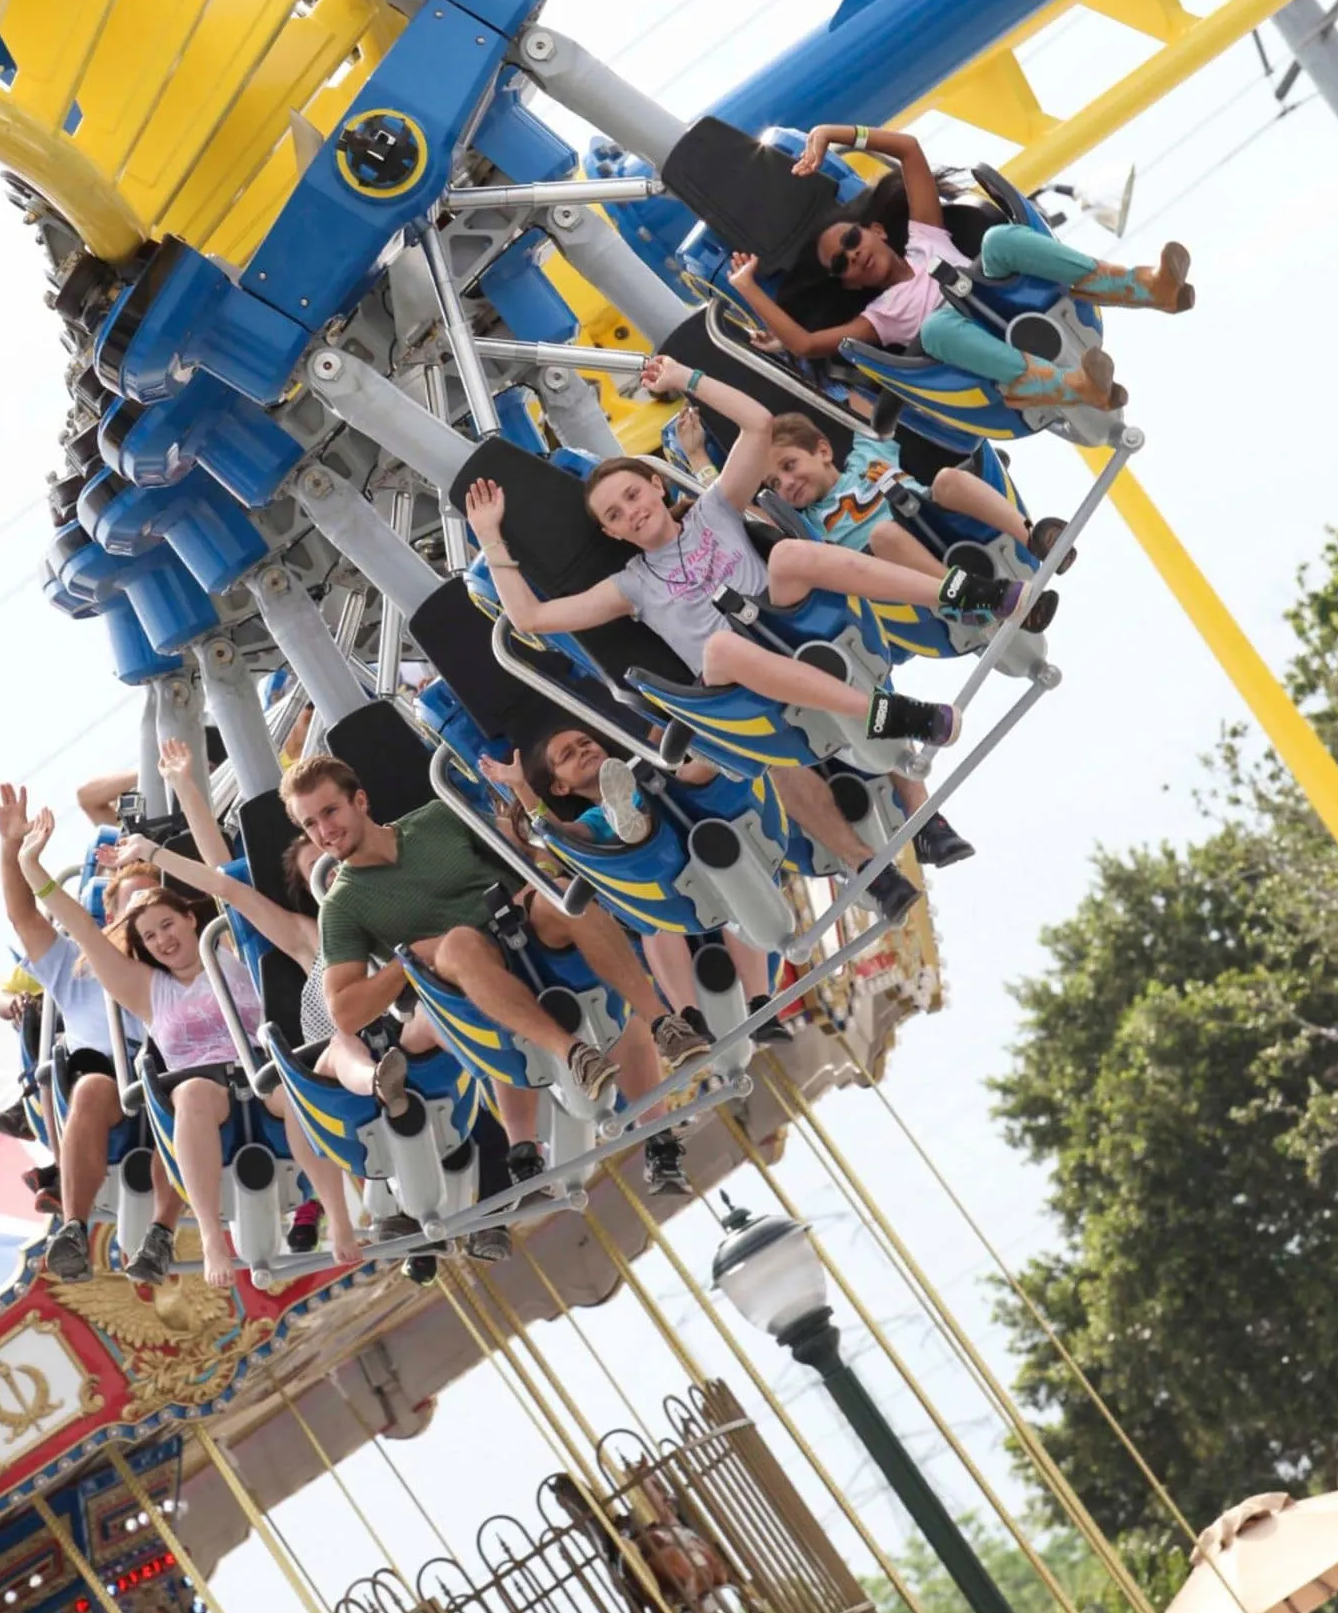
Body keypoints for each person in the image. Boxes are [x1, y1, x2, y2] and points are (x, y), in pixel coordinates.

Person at [462, 355, 1006, 759]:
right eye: (614, 516)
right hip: (739, 680)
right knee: (720, 646)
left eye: (632, 496)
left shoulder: (713, 510)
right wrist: (491, 536)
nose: (630, 513)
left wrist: (685, 379)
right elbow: (531, 618)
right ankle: (887, 714)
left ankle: (954, 592)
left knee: (790, 553)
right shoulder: (630, 585)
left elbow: (758, 425)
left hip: (789, 622)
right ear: (614, 534)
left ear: (655, 486)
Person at [282, 755, 702, 1195]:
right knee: (459, 944)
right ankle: (572, 1055)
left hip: (523, 926)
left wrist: (528, 844)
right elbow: (345, 1013)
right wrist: (407, 960)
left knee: (558, 895)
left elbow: (525, 853)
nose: (324, 831)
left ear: (360, 801)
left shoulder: (438, 818)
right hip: (465, 978)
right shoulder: (341, 906)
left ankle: (664, 1022)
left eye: (330, 812)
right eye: (310, 825)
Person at [16, 809, 361, 1288]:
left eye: (167, 925)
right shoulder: (146, 989)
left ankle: (338, 1215)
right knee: (194, 1096)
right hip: (200, 1086)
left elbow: (224, 880)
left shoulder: (231, 953)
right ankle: (212, 1238)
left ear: (188, 917)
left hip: (258, 1072)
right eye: (150, 936)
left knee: (295, 1090)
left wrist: (179, 805)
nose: (162, 940)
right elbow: (87, 933)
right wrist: (32, 867)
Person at [727, 122, 1194, 410]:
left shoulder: (925, 239)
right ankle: (1051, 385)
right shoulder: (881, 315)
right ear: (847, 284)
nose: (853, 256)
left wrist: (832, 133)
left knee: (998, 238)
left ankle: (1144, 287)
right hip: (977, 357)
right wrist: (747, 287)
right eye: (841, 265)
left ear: (877, 231)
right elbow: (806, 343)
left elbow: (909, 150)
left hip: (1010, 302)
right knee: (935, 331)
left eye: (851, 241)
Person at [0, 782, 181, 1283]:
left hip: (172, 1070)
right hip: (106, 1072)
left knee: (185, 1096)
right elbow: (23, 915)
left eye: (153, 910)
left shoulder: (180, 967)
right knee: (92, 1089)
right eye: (131, 910)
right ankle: (73, 1227)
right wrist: (12, 848)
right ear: (112, 916)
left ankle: (160, 1234)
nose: (145, 923)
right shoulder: (76, 965)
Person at [491, 731, 773, 1045]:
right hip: (658, 888)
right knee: (654, 916)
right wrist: (521, 787)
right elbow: (558, 834)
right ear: (561, 786)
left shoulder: (645, 766)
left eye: (586, 743)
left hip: (692, 834)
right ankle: (689, 1013)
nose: (582, 751)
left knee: (681, 776)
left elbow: (654, 738)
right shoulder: (593, 819)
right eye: (568, 755)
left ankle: (713, 757)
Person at [761, 412, 1061, 630]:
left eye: (789, 466)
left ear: (823, 451)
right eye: (775, 483)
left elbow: (869, 402)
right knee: (883, 535)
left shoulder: (867, 455)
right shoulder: (807, 523)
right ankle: (963, 596)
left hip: (940, 524)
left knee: (947, 479)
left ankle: (1033, 538)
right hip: (902, 568)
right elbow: (743, 508)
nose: (786, 482)